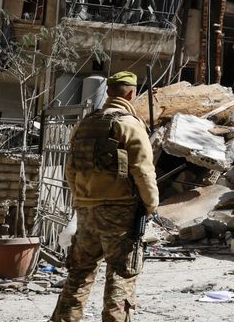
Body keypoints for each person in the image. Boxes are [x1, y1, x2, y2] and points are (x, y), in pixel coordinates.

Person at [51, 71, 159, 322]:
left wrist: (81, 199)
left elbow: (71, 169)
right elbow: (143, 170)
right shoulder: (129, 124)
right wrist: (151, 204)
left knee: (79, 273)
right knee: (121, 275)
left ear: (109, 92)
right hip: (119, 211)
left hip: (86, 210)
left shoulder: (84, 124)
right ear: (132, 93)